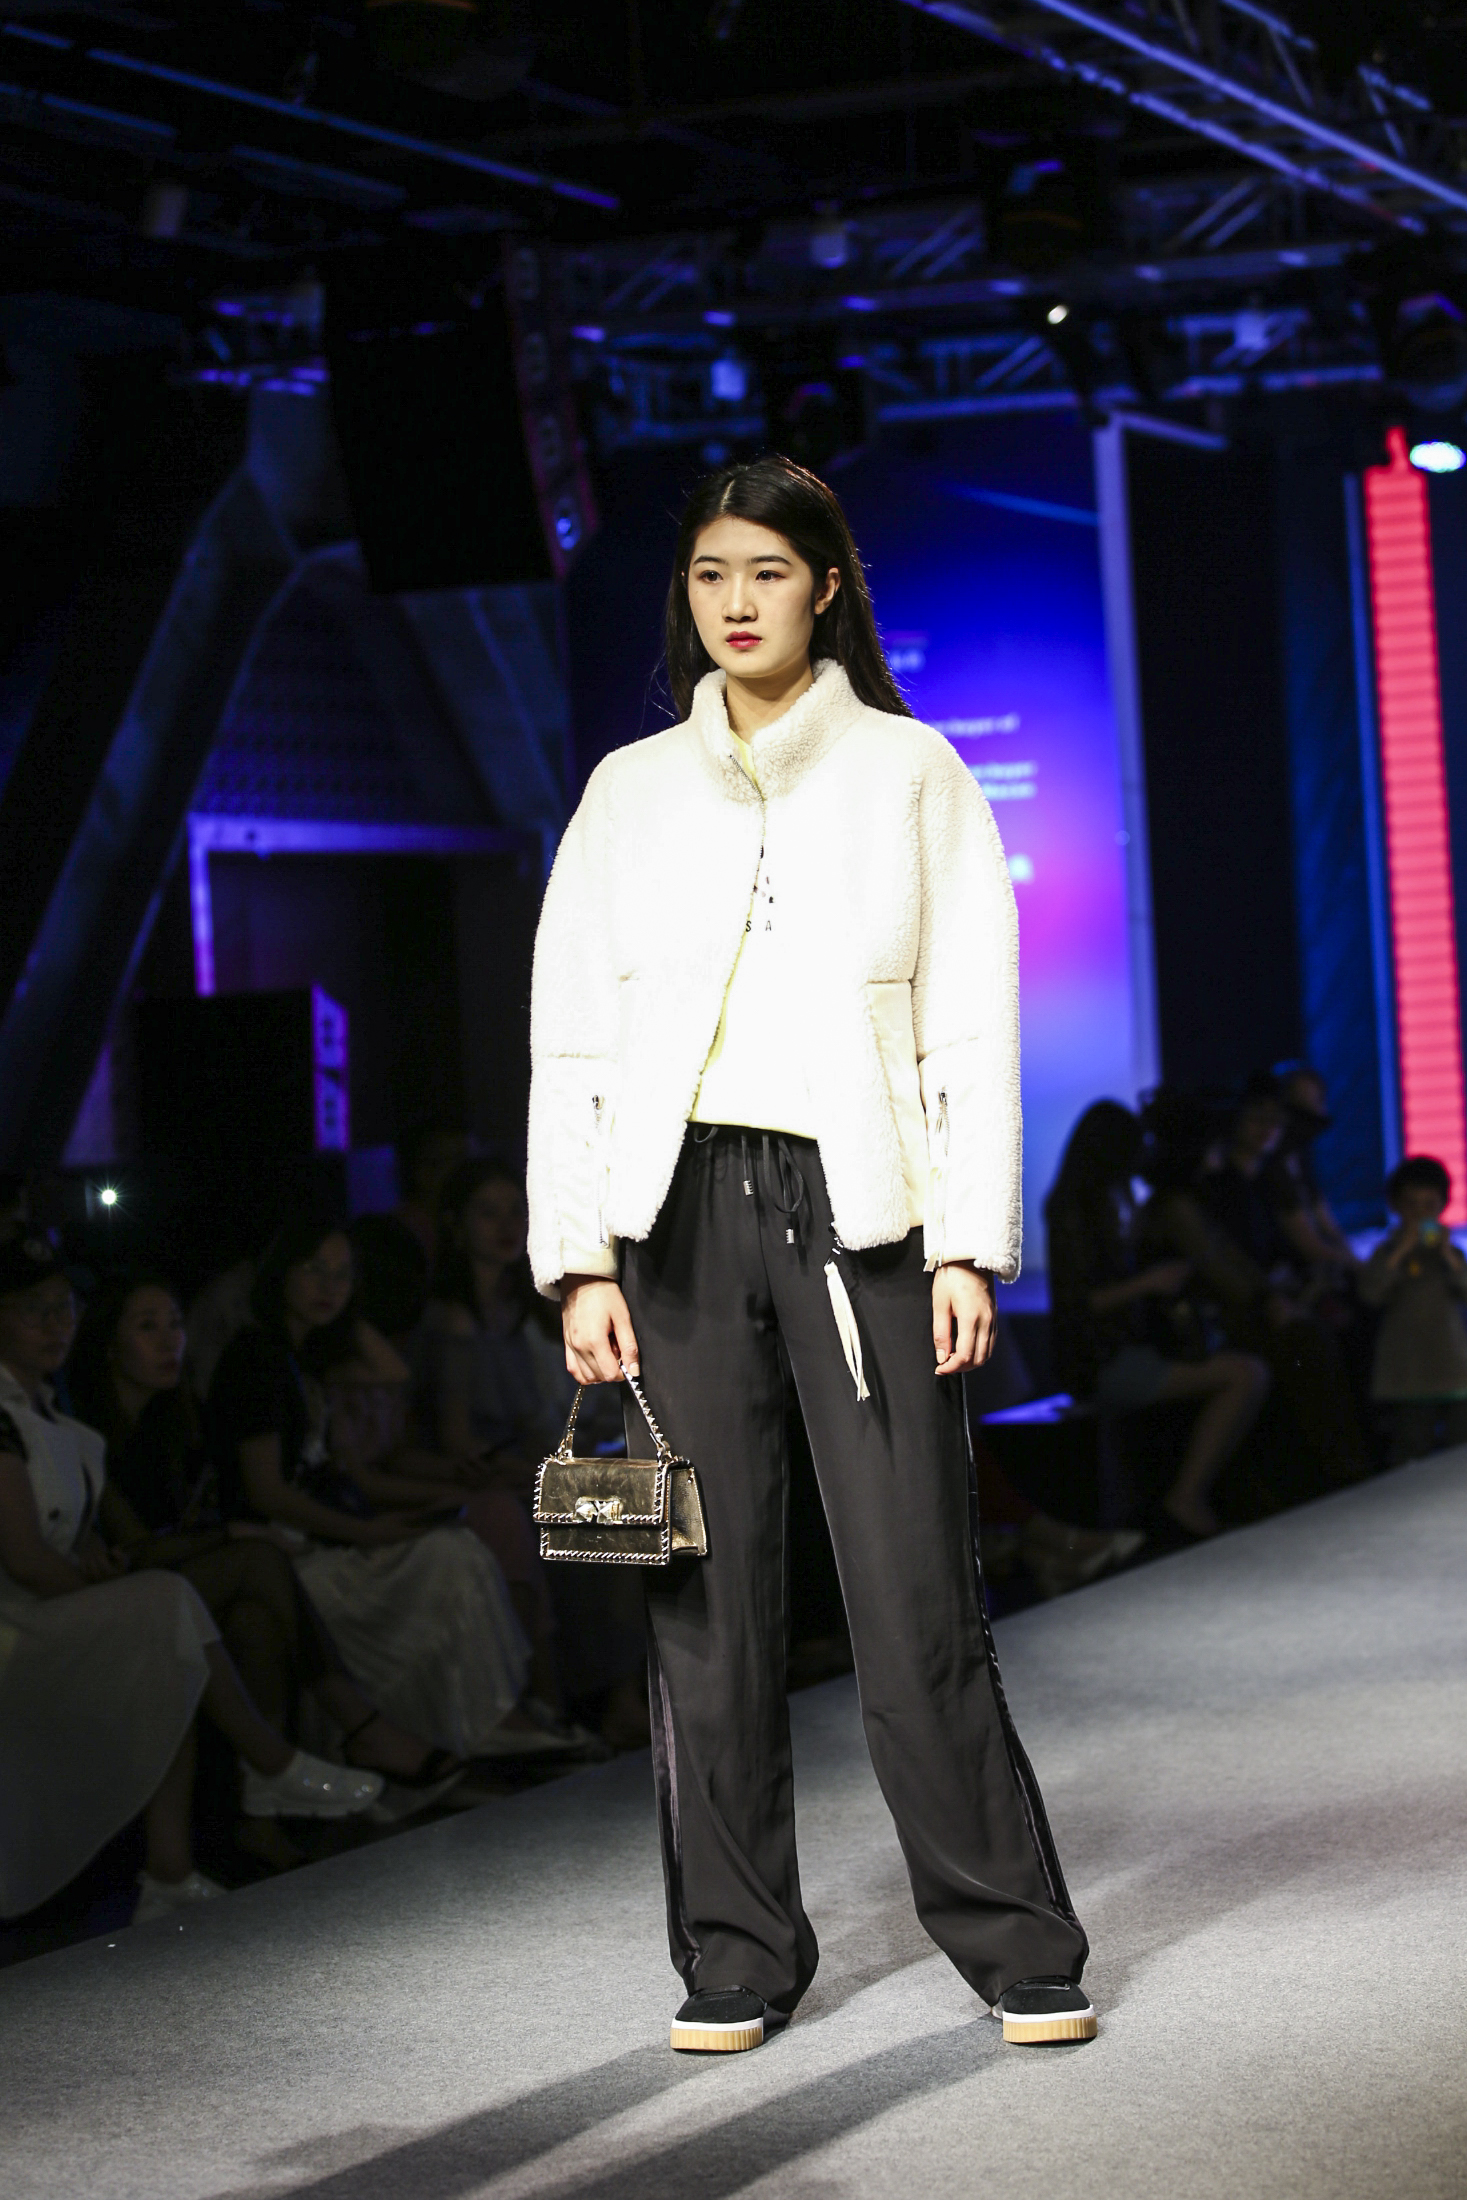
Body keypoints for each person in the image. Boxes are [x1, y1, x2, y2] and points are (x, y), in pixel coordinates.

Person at [529, 452, 1094, 2053]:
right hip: (677, 1215)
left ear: (824, 587)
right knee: (700, 1600)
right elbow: (571, 1035)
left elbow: (968, 1021)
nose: (734, 603)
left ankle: (1010, 1937)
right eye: (709, 574)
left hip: (867, 1214)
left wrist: (967, 1244)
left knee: (914, 1591)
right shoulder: (629, 790)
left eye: (765, 573)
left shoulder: (911, 771)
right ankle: (733, 1952)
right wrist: (581, 1258)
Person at [0, 1239, 380, 1927]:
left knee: (173, 1620)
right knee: (166, 1603)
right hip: (17, 1626)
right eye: (35, 1310)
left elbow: (78, 1540)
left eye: (64, 1308)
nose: (56, 1324)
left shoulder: (60, 1422)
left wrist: (101, 1567)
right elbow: (25, 1558)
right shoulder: (15, 1421)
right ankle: (273, 1766)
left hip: (52, 1608)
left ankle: (175, 1866)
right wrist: (108, 1583)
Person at [68, 1276, 452, 1809]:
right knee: (259, 1559)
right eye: (147, 1327)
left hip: (183, 1585)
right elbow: (135, 1548)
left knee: (255, 1619)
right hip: (122, 1594)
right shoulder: (85, 1434)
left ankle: (261, 1811)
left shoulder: (176, 1421)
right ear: (109, 1344)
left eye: (175, 1324)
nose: (168, 1340)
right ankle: (361, 1725)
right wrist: (230, 1533)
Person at [207, 1215, 545, 1768]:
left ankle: (486, 1722)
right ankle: (472, 1727)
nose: (329, 1286)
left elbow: (387, 1380)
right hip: (283, 1552)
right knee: (452, 1555)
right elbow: (266, 1491)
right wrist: (367, 1532)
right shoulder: (256, 1358)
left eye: (343, 1275)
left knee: (457, 1547)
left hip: (321, 1537)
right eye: (314, 1270)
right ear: (281, 1273)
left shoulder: (302, 1356)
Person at [418, 1158, 648, 1748]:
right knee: (591, 1523)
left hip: (534, 1465)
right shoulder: (454, 1319)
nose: (505, 1225)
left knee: (623, 1512)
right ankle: (578, 1703)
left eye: (514, 1211)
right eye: (487, 1213)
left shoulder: (528, 1307)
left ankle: (620, 1698)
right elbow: (456, 1436)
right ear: (456, 1224)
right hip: (490, 1475)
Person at [1046, 1101, 1271, 1540]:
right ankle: (1187, 1496)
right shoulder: (1078, 1211)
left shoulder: (1105, 1203)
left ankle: (1191, 1496)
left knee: (1245, 1372)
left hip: (1115, 1352)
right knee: (1246, 1375)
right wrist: (1149, 1283)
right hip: (1100, 1361)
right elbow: (1078, 1303)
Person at [1359, 1157, 1467, 1466]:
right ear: (1396, 1206)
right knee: (1410, 1451)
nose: (1420, 1214)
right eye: (1411, 1205)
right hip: (1408, 1372)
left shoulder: (1452, 1254)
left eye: (1428, 1205)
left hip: (1455, 1369)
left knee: (1460, 1452)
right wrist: (1401, 1251)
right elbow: (1371, 1293)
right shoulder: (1386, 1253)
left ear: (1442, 1205)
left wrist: (1446, 1254)